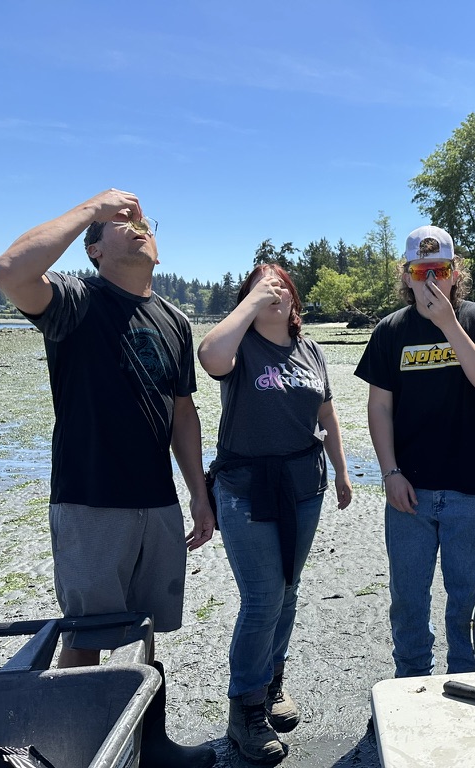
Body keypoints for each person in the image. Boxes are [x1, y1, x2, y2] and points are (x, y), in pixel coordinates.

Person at [0, 189, 216, 768]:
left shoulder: (174, 320)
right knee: (87, 635)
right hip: (89, 500)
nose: (138, 226)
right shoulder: (75, 299)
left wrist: (198, 494)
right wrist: (93, 208)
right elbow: (8, 271)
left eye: (143, 222)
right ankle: (72, 755)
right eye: (122, 223)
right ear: (93, 250)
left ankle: (150, 746)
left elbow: (182, 413)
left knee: (143, 630)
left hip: (156, 503)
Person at [198, 264, 353, 765]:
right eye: (264, 289)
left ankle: (270, 686)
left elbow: (325, 413)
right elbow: (209, 357)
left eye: (283, 287)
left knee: (287, 591)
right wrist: (249, 305)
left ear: (295, 299)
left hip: (303, 488)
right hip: (246, 488)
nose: (275, 294)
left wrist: (343, 472)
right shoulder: (239, 348)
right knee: (263, 598)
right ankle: (244, 712)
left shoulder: (310, 350)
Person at [354, 225, 475, 678]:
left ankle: (466, 680)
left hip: (470, 488)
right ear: (405, 275)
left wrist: (447, 323)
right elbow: (380, 407)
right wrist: (389, 473)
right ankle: (410, 683)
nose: (430, 280)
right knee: (408, 597)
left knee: (468, 598)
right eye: (420, 271)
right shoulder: (390, 331)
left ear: (455, 272)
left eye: (440, 270)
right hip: (410, 491)